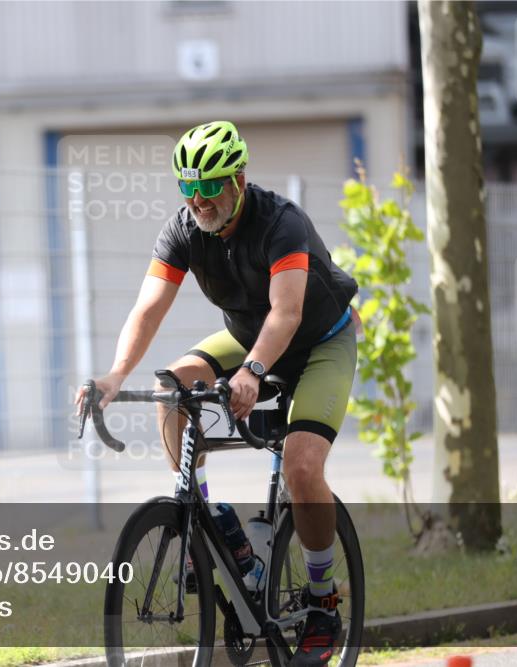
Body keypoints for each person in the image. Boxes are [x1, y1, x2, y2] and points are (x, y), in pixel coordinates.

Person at [74, 121, 359, 666]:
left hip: (317, 341)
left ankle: (323, 601)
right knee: (170, 387)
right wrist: (113, 374)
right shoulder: (183, 229)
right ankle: (212, 520)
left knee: (301, 467)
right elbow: (149, 308)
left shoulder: (281, 222)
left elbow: (288, 312)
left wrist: (252, 370)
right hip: (248, 334)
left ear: (239, 179)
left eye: (210, 186)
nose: (199, 200)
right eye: (189, 187)